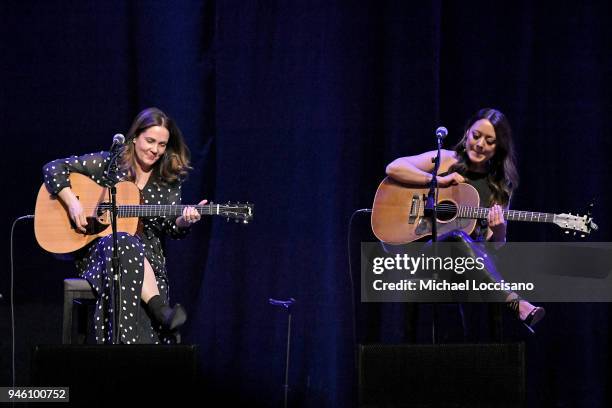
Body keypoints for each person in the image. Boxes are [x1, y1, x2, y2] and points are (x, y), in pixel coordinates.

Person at [43, 107, 206, 344]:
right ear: (135, 137)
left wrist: (183, 220)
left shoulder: (167, 179)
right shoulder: (110, 164)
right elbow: (53, 168)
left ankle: (129, 351)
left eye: (162, 144)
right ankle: (160, 311)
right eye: (150, 141)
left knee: (128, 245)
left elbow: (172, 227)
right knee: (119, 241)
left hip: (148, 259)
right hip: (101, 255)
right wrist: (72, 204)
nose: (155, 150)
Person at [385, 107, 545, 331]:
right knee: (456, 238)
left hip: (465, 265)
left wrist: (500, 231)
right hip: (423, 253)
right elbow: (393, 167)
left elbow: (493, 247)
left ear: (499, 147)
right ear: (467, 133)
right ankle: (517, 304)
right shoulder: (447, 161)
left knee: (460, 241)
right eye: (476, 136)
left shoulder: (500, 186)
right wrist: (439, 181)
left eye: (489, 141)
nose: (480, 145)